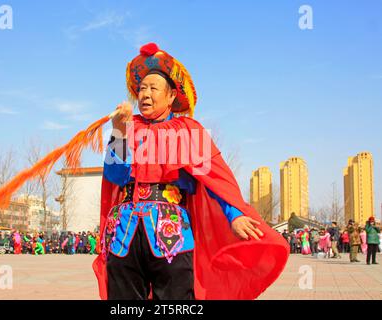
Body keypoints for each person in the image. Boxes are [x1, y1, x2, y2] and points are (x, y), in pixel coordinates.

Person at [92, 43, 289, 300]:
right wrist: (118, 131)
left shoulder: (188, 130)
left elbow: (215, 181)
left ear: (172, 96)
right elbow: (115, 177)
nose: (145, 95)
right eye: (141, 89)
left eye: (153, 88)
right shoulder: (126, 128)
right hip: (123, 233)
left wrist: (235, 214)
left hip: (169, 230)